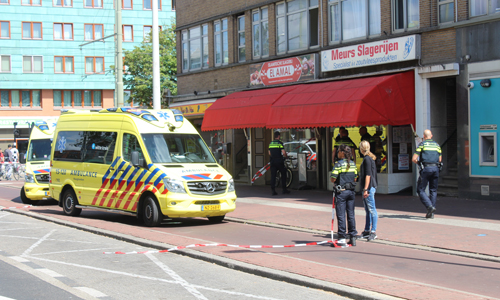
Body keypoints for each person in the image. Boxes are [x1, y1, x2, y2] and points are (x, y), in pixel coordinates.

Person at [330, 144, 358, 247]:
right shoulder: (353, 164)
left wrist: (335, 180)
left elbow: (333, 178)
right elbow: (355, 178)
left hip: (341, 192)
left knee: (341, 215)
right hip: (351, 192)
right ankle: (352, 237)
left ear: (342, 153)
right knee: (351, 215)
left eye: (338, 151)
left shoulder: (338, 164)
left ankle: (341, 238)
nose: (337, 153)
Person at [412, 129, 442, 219]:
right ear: (431, 136)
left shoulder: (422, 145)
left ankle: (430, 207)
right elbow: (440, 160)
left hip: (426, 169)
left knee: (420, 190)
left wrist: (419, 163)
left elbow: (414, 159)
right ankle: (431, 213)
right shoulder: (437, 145)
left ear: (424, 137)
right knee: (433, 190)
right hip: (436, 169)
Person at [359, 140, 378, 241]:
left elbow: (368, 174)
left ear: (361, 148)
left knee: (372, 210)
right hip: (370, 187)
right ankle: (367, 230)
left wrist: (366, 189)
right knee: (368, 210)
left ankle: (373, 231)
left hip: (369, 187)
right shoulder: (370, 158)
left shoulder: (367, 159)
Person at [268, 131, 290, 196]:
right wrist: (286, 156)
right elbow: (283, 152)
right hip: (279, 161)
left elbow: (269, 153)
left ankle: (273, 190)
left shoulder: (271, 143)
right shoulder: (280, 143)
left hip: (273, 161)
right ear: (279, 136)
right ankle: (284, 189)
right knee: (283, 173)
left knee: (273, 176)